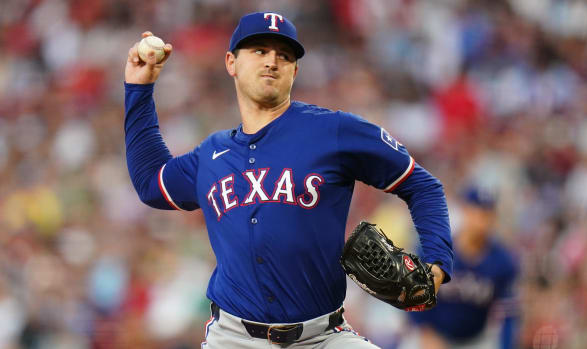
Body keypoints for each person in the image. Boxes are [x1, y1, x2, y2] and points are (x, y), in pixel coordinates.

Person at [123, 12, 453, 348]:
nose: (272, 61)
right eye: (259, 51)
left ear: (295, 71)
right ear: (231, 63)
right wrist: (139, 87)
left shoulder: (333, 131)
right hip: (234, 339)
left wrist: (438, 263)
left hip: (322, 337)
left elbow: (422, 186)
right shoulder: (211, 155)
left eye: (284, 55)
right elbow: (151, 182)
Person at [402, 186, 519, 349]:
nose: (481, 220)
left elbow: (509, 314)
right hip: (430, 334)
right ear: (464, 210)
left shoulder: (503, 262)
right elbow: (414, 294)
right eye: (476, 212)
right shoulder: (434, 248)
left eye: (487, 214)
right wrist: (426, 332)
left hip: (475, 340)